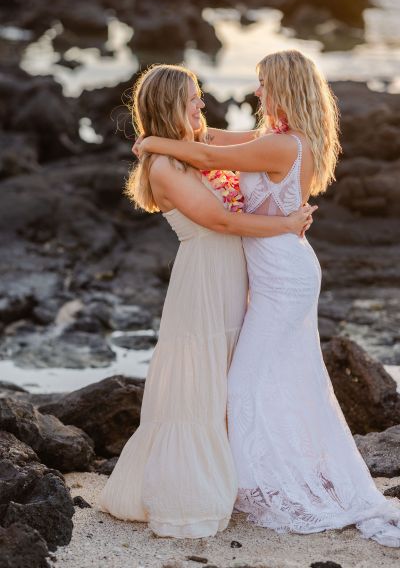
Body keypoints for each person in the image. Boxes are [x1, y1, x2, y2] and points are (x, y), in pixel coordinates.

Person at [138, 50, 400, 546]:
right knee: (283, 378)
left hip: (283, 275)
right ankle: (273, 473)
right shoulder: (275, 141)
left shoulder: (282, 146)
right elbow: (211, 139)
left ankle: (263, 485)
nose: (256, 92)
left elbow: (213, 158)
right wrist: (172, 132)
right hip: (276, 271)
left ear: (283, 87)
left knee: (244, 386)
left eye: (263, 84)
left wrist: (151, 139)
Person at [97, 63, 315, 538]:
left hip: (230, 275)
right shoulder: (163, 167)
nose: (201, 104)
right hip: (203, 279)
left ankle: (228, 478)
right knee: (198, 385)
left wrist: (158, 138)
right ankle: (185, 494)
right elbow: (220, 221)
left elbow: (236, 143)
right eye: (193, 98)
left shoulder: (188, 153)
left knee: (223, 379)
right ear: (171, 104)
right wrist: (285, 224)